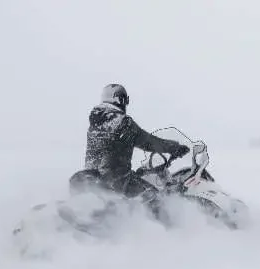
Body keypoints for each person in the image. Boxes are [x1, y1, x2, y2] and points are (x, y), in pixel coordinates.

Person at [81, 83, 189, 221]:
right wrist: (174, 147)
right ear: (120, 100)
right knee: (157, 199)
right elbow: (148, 141)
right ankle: (166, 235)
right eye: (125, 99)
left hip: (95, 177)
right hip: (118, 180)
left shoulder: (96, 123)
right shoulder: (123, 122)